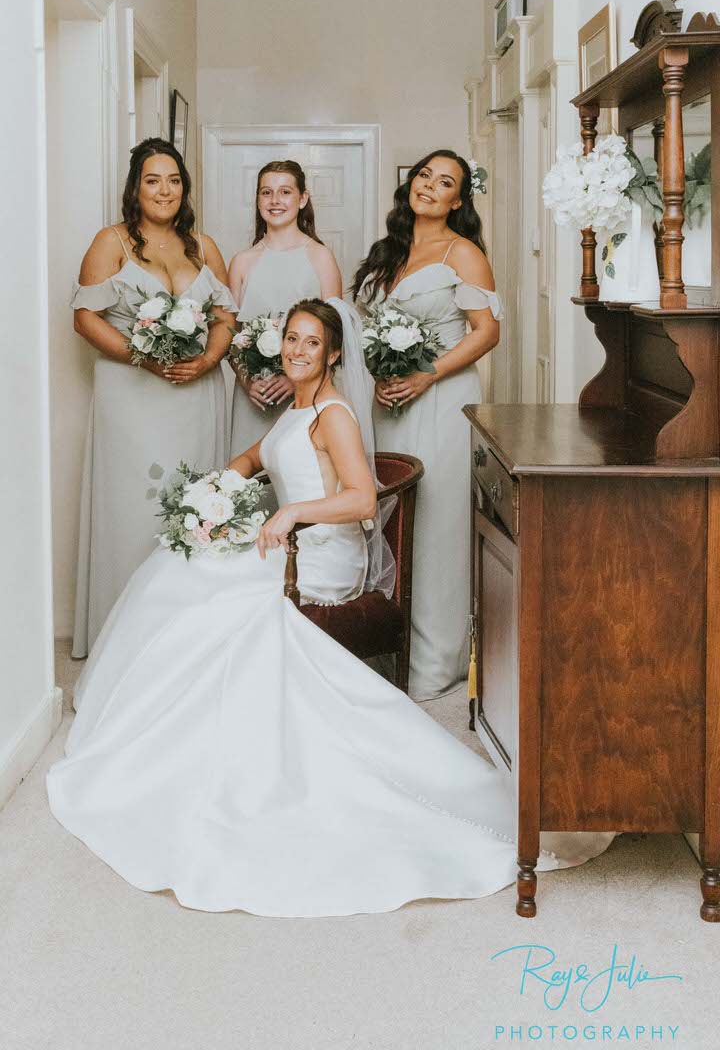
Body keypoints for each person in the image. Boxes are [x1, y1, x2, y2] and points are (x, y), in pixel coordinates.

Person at [47, 298, 613, 918]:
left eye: (311, 343)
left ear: (334, 353)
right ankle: (147, 732)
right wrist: (219, 490)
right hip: (288, 546)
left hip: (323, 559)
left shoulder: (335, 413)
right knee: (180, 567)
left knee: (201, 591)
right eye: (290, 338)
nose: (296, 350)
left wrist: (292, 512)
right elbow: (256, 458)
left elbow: (364, 501)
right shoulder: (296, 409)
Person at [71, 137, 237, 658]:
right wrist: (140, 356)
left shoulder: (202, 246)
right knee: (135, 512)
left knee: (192, 510)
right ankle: (124, 640)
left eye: (173, 180)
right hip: (132, 397)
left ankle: (187, 640)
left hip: (195, 395)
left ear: (184, 188)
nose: (164, 190)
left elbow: (225, 317)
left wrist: (209, 359)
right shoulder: (111, 242)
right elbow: (84, 318)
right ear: (135, 187)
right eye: (152, 179)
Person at [353, 150, 501, 701]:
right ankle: (386, 649)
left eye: (445, 183)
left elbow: (486, 332)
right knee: (387, 517)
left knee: (435, 521)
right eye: (424, 176)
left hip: (440, 396)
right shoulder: (387, 252)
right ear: (410, 185)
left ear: (458, 200)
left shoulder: (464, 253)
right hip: (387, 401)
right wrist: (378, 376)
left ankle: (434, 662)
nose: (430, 187)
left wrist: (425, 376)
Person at [228, 160, 342, 456]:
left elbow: (334, 336)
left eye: (285, 192)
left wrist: (294, 381)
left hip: (305, 396)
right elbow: (231, 338)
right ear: (258, 200)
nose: (275, 201)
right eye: (266, 192)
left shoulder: (320, 256)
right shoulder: (242, 261)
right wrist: (246, 381)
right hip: (254, 399)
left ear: (302, 199)